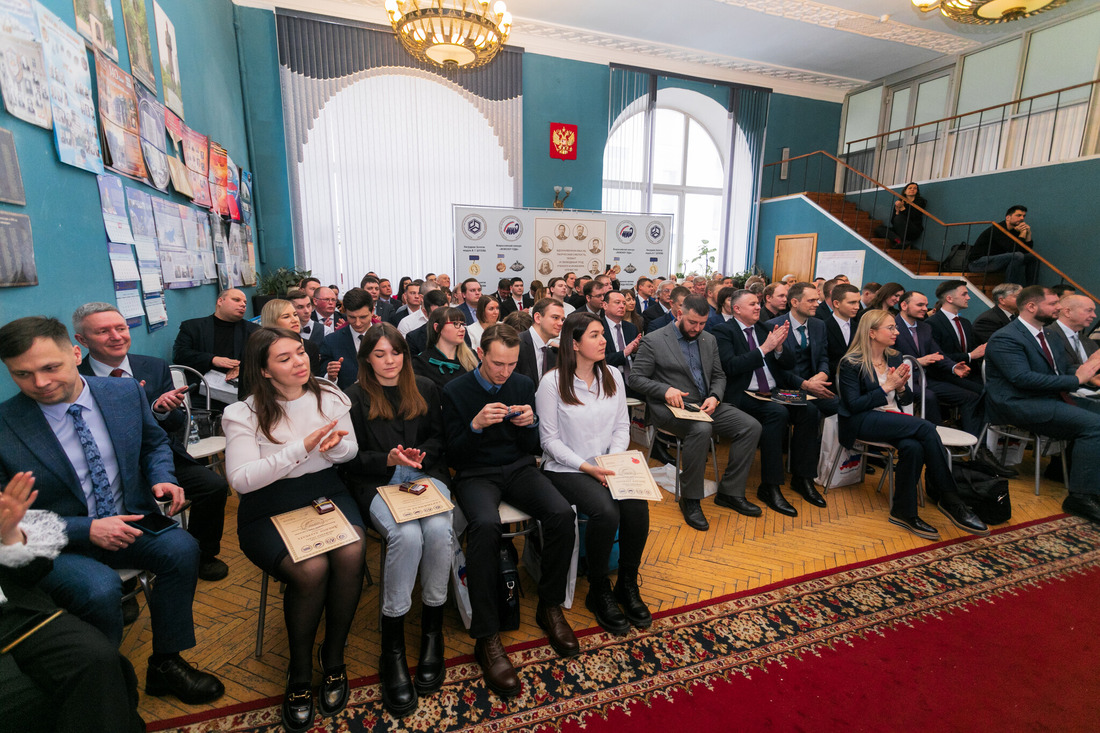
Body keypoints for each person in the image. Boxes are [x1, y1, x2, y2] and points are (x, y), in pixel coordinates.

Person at [0, 317, 225, 705]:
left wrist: (162, 476)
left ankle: (166, 664)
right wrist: (87, 529)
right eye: (22, 374)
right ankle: (106, 688)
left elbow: (153, 444)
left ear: (75, 353)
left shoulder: (121, 392)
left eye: (50, 367)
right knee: (100, 589)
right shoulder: (6, 425)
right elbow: (8, 520)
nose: (39, 383)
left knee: (183, 550)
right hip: (57, 543)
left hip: (128, 519)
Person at [223, 327, 365, 731]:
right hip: (267, 505)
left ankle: (333, 657)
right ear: (264, 371)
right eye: (284, 359)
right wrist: (301, 447)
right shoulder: (242, 413)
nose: (299, 362)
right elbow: (243, 479)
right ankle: (299, 672)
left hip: (324, 491)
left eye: (300, 352)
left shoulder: (332, 395)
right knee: (311, 568)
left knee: (352, 551)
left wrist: (332, 447)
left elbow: (348, 451)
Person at [441, 324, 578, 697]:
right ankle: (486, 635)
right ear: (481, 354)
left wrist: (529, 423)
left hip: (518, 468)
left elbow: (531, 444)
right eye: (498, 363)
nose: (505, 372)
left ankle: (549, 605)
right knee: (484, 525)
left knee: (562, 514)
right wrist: (475, 426)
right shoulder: (456, 390)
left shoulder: (520, 384)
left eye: (512, 363)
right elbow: (452, 456)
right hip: (475, 474)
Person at [73, 302, 231, 582]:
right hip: (108, 466)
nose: (116, 336)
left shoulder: (153, 366)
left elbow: (176, 425)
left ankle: (202, 555)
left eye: (121, 328)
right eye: (103, 332)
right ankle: (124, 579)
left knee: (213, 486)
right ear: (82, 341)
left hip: (157, 456)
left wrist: (161, 410)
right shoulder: (76, 379)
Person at [342, 324, 452, 717]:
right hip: (377, 483)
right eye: (379, 354)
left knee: (440, 530)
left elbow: (441, 439)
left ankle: (431, 631)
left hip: (423, 477)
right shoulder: (353, 397)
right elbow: (349, 460)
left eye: (396, 353)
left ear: (405, 354)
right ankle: (392, 647)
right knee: (406, 536)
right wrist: (387, 460)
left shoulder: (424, 387)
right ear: (367, 359)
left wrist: (422, 454)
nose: (389, 362)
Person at [0, 475, 146, 733]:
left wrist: (10, 535)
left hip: (17, 611)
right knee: (20, 701)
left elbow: (33, 571)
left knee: (97, 659)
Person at [536, 312, 651, 635]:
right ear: (574, 343)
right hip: (566, 468)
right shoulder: (552, 383)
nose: (604, 341)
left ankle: (627, 584)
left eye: (603, 334)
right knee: (605, 511)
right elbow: (549, 441)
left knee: (636, 505)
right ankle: (598, 589)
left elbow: (621, 426)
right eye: (595, 335)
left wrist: (611, 463)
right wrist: (588, 467)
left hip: (607, 464)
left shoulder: (612, 373)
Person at [837, 311, 988, 539]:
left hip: (891, 418)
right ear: (872, 333)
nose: (897, 332)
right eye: (891, 328)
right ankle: (950, 499)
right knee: (926, 428)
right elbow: (854, 404)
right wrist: (887, 387)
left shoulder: (895, 357)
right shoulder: (851, 362)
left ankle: (904, 512)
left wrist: (899, 388)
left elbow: (906, 399)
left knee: (913, 447)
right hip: (861, 420)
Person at [629, 296, 763, 531]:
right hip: (670, 408)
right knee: (701, 429)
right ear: (679, 313)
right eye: (693, 323)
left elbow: (719, 375)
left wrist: (715, 396)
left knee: (751, 426)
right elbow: (636, 379)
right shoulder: (655, 340)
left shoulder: (708, 339)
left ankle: (730, 492)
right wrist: (665, 389)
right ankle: (690, 499)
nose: (697, 328)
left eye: (702, 323)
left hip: (705, 405)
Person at [984, 286, 1100, 525]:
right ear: (1031, 307)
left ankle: (1089, 482)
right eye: (1053, 303)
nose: (1059, 307)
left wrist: (1088, 376)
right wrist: (1078, 379)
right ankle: (1080, 497)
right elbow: (1022, 379)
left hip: (1047, 398)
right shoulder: (1006, 337)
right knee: (1095, 426)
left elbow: (1060, 370)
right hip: (1018, 404)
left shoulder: (1049, 335)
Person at [715, 290, 826, 516]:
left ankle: (802, 478)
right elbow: (731, 367)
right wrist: (764, 348)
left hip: (773, 391)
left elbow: (787, 364)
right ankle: (770, 485)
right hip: (745, 394)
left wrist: (778, 348)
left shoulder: (764, 329)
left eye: (758, 303)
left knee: (809, 409)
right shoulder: (723, 331)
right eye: (752, 304)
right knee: (777, 414)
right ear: (736, 309)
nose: (758, 307)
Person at [892, 290, 983, 436]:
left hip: (925, 379)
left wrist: (953, 367)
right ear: (904, 305)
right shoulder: (892, 326)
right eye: (920, 305)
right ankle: (935, 440)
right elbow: (888, 358)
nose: (924, 308)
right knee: (929, 397)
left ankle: (974, 446)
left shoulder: (925, 327)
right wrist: (917, 362)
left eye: (926, 305)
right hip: (902, 380)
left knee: (971, 397)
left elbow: (937, 353)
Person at [766, 283, 838, 416]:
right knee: (809, 412)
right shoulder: (773, 326)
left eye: (817, 300)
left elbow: (823, 356)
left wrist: (822, 374)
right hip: (784, 389)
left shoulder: (819, 325)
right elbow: (775, 369)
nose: (816, 304)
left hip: (813, 386)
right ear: (794, 302)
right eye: (811, 300)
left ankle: (824, 436)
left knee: (839, 405)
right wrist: (804, 384)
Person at [172, 288, 259, 388]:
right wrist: (212, 359)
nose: (243, 304)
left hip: (240, 390)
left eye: (245, 302)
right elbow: (179, 355)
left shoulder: (254, 331)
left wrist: (243, 368)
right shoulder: (193, 327)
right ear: (220, 301)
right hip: (202, 390)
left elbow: (263, 358)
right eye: (236, 300)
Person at [319, 287, 375, 389]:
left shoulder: (386, 336)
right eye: (352, 317)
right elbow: (323, 379)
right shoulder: (332, 341)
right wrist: (330, 376)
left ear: (372, 311)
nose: (358, 323)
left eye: (363, 317)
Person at [968, 205, 1039, 285]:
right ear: (1008, 217)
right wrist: (1022, 234)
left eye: (1023, 216)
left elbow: (1025, 251)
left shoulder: (1015, 230)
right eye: (1018, 215)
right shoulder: (998, 229)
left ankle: (1032, 289)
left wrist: (1028, 233)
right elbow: (1013, 249)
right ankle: (1009, 288)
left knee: (1032, 258)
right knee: (1017, 256)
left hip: (995, 261)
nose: (1022, 218)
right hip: (978, 263)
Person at [414, 307, 479, 390]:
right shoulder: (421, 363)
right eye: (456, 324)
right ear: (437, 327)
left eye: (462, 324)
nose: (462, 329)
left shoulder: (472, 356)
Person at [824, 283, 862, 393]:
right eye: (852, 302)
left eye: (858, 302)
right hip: (831, 384)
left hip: (856, 384)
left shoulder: (859, 327)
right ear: (836, 303)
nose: (857, 307)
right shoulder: (823, 327)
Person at [516, 298, 565, 385]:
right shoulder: (517, 344)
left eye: (562, 319)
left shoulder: (552, 352)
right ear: (538, 318)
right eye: (555, 317)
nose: (561, 323)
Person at [1046, 294, 1098, 370]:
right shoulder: (1045, 336)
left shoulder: (1090, 343)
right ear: (1067, 312)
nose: (1094, 315)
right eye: (1089, 310)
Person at [880, 182, 926, 246]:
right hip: (899, 230)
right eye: (910, 188)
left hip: (913, 230)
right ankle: (898, 239)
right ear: (905, 191)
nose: (912, 189)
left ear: (917, 191)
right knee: (879, 229)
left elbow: (914, 216)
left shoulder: (920, 202)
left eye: (915, 188)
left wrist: (903, 208)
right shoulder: (900, 202)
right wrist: (897, 212)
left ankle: (902, 240)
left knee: (899, 218)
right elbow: (893, 221)